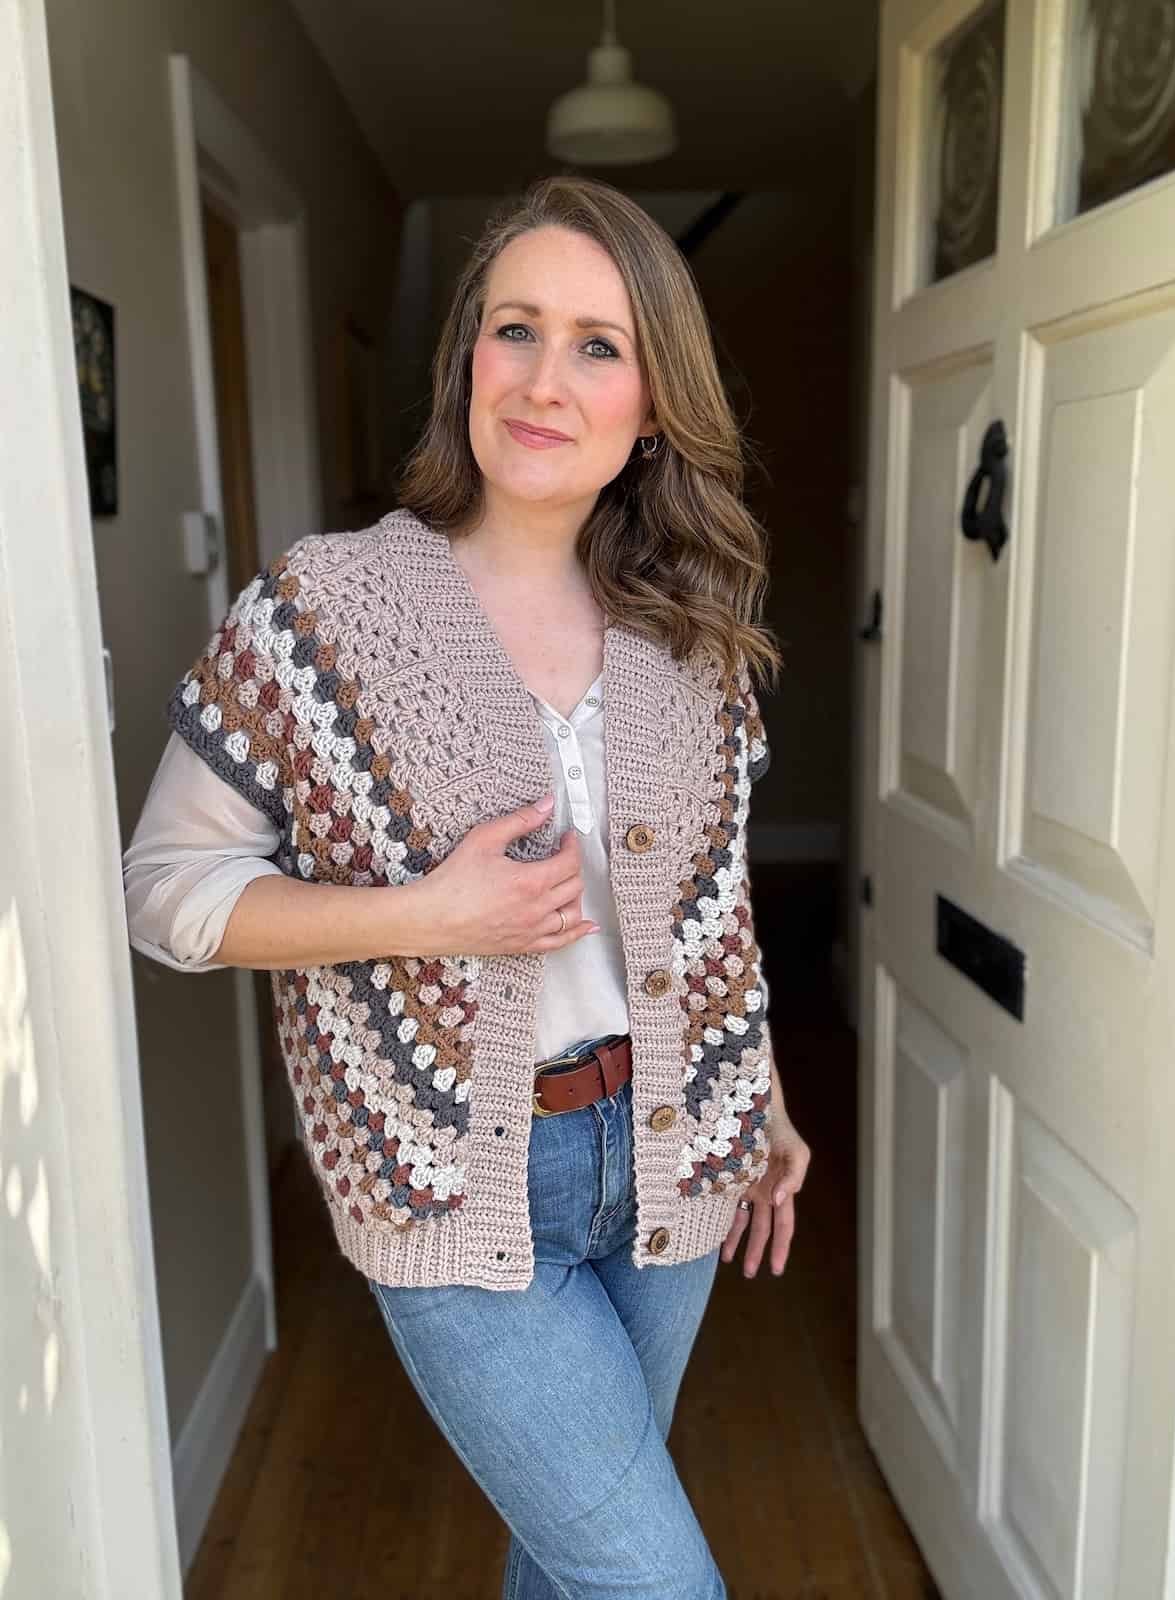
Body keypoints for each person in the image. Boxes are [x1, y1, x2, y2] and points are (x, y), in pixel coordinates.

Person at [123, 174, 812, 1600]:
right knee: (652, 1581)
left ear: (652, 406)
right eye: (516, 330)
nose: (546, 381)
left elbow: (709, 907)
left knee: (571, 1566)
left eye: (599, 346)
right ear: (466, 361)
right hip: (451, 1177)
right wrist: (431, 915)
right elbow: (167, 885)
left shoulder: (695, 626)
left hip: (677, 1156)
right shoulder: (330, 610)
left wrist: (768, 1100)